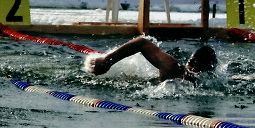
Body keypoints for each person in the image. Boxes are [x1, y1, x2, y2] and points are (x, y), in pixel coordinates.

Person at [85, 37, 217, 83]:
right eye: (191, 63)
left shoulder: (211, 83)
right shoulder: (173, 68)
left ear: (209, 71)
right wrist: (107, 60)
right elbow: (142, 43)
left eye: (198, 66)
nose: (192, 68)